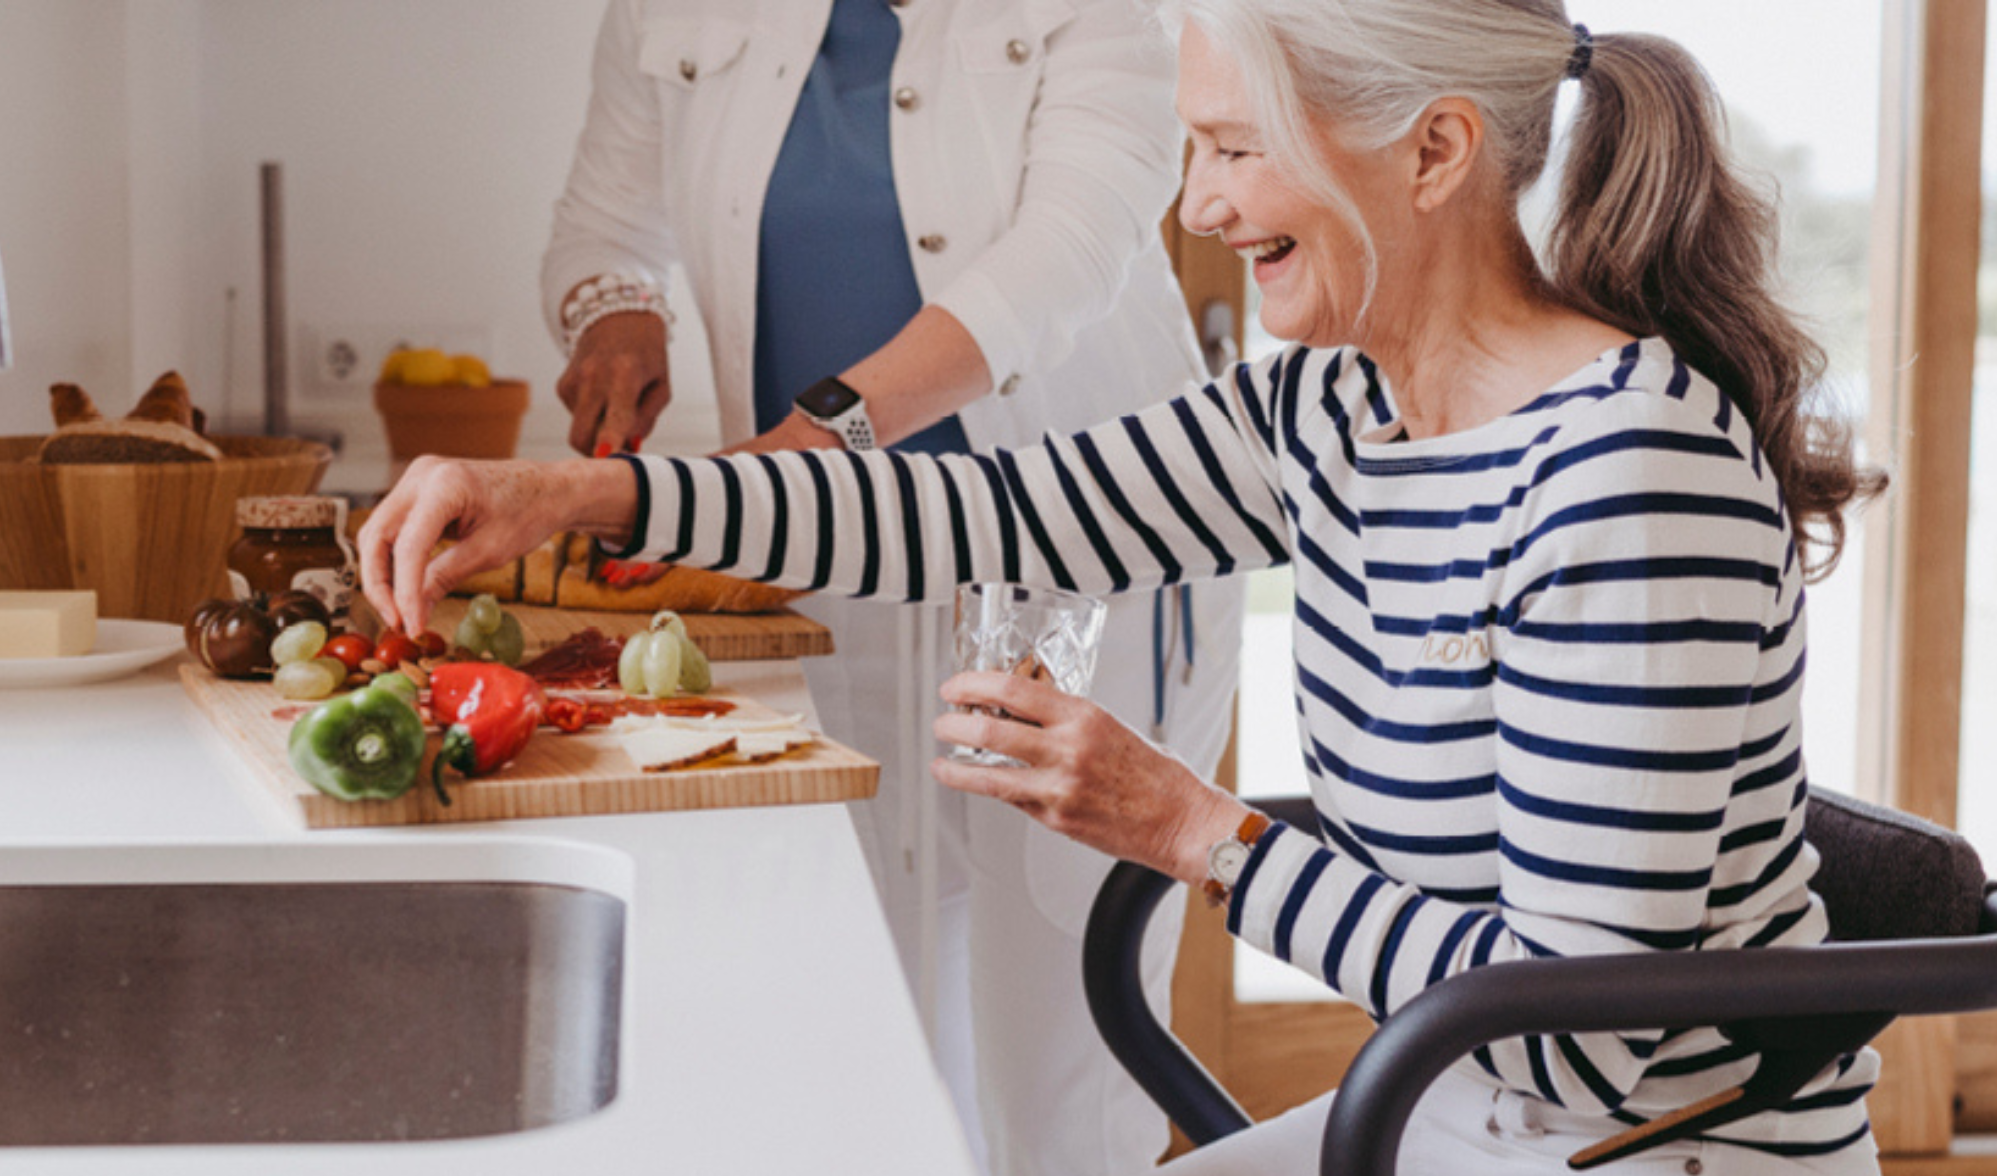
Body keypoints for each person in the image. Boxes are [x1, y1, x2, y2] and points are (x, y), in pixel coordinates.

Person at [367, 0, 1890, 1170]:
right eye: (1197, 150)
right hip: (1445, 1119)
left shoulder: (1626, 478)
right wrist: (585, 493)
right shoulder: (1333, 413)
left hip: (1640, 1151)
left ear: (1433, 153)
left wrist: (1186, 828)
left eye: (1237, 150)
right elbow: (984, 511)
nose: (1201, 208)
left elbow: (1588, 1042)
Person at [535, 3, 1244, 1174]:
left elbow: (1065, 257)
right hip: (831, 583)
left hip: (1070, 582)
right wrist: (618, 311)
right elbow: (603, 223)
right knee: (868, 1013)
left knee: (1059, 1038)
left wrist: (801, 449)